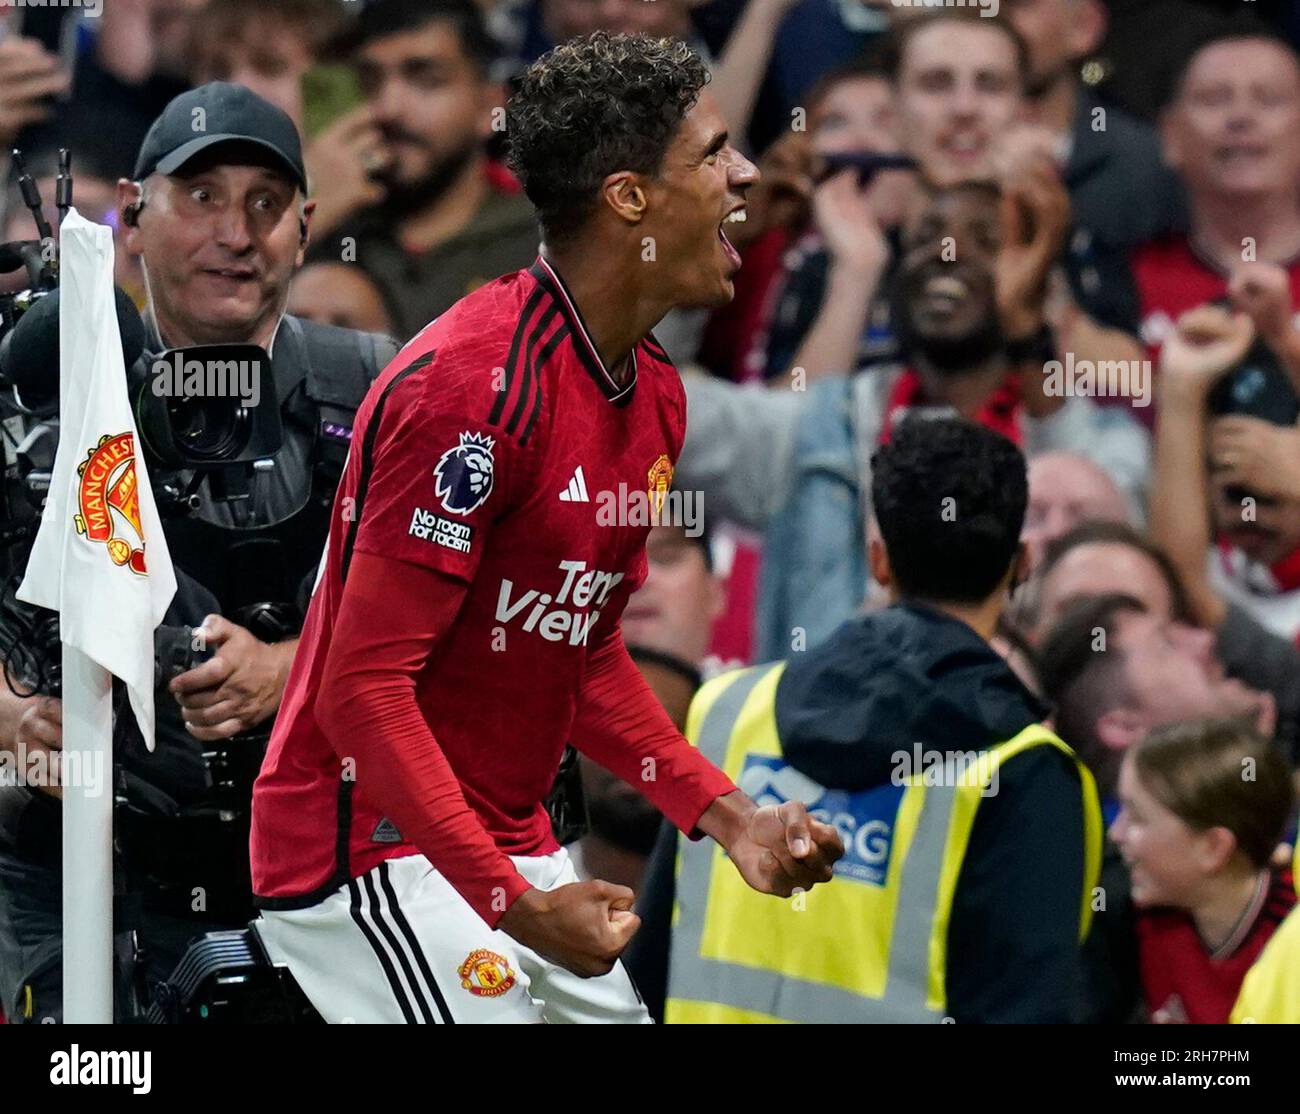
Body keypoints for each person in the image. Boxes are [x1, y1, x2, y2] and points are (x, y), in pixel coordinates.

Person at [249, 32, 843, 1026]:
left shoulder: (654, 392)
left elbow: (576, 646)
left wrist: (729, 816)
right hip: (365, 851)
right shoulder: (469, 392)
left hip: (499, 841)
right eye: (712, 153)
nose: (746, 173)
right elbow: (361, 690)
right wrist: (515, 903)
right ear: (629, 199)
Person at [0, 82, 396, 1024]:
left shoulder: (383, 389)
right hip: (83, 885)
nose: (237, 232)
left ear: (305, 229)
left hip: (330, 880)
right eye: (202, 197)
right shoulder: (35, 401)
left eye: (266, 205)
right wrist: (13, 720)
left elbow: (469, 624)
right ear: (135, 217)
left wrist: (292, 671)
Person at [657, 418, 1101, 1023]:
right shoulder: (1027, 772)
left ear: (879, 561)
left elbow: (645, 962)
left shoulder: (723, 713)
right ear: (1021, 565)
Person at [678, 179, 1149, 661]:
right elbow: (647, 405)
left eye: (987, 242)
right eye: (924, 238)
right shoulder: (827, 425)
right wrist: (691, 251)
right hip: (821, 727)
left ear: (1041, 288)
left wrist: (1028, 328)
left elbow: (1109, 538)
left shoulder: (1106, 444)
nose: (947, 253)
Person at [306, 0, 540, 338]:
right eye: (369, 82)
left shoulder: (544, 241)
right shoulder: (328, 230)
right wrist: (309, 213)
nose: (389, 108)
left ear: (489, 107)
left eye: (426, 80)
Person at [571, 524, 726, 894]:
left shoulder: (770, 724)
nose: (638, 580)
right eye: (607, 564)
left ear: (717, 590)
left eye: (666, 557)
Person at [1110, 719, 1296, 1024]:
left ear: (1213, 847)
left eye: (1138, 818)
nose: (1115, 834)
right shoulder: (1135, 922)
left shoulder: (1290, 940)